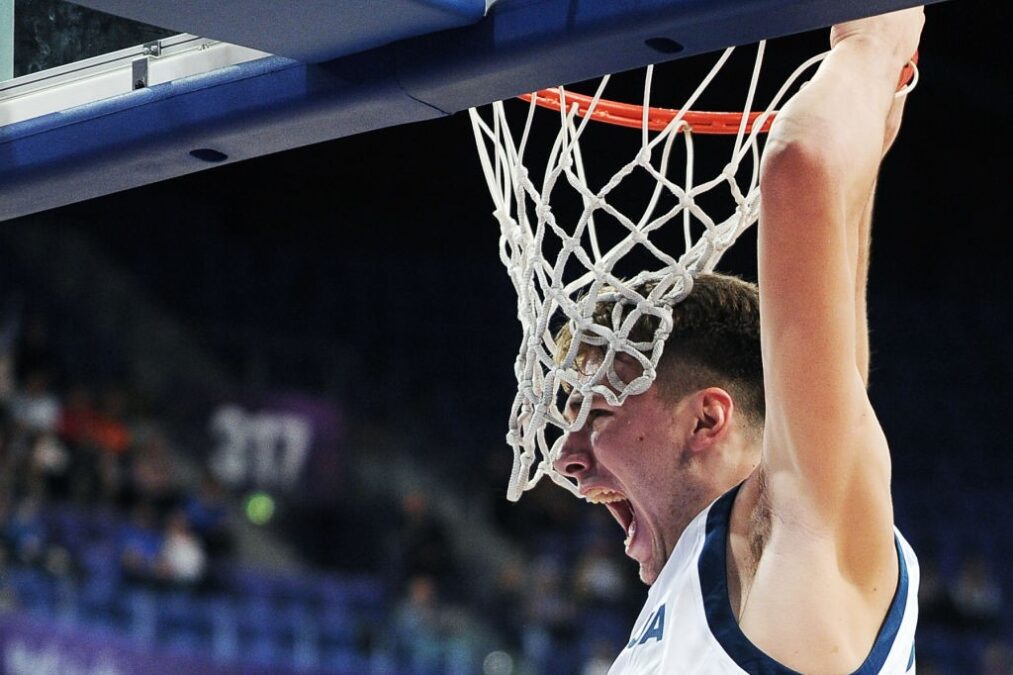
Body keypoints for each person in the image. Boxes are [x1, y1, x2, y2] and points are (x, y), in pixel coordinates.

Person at [551, 9, 924, 673]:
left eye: (596, 412)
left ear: (706, 417)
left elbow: (798, 164)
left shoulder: (794, 542)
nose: (563, 460)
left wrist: (873, 43)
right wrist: (880, 95)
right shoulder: (708, 578)